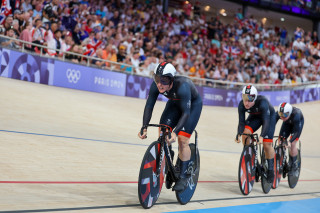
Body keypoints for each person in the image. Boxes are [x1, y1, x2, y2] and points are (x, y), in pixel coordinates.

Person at [138, 62, 202, 192]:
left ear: (172, 79)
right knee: (163, 132)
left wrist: (176, 131)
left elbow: (186, 113)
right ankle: (169, 155)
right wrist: (144, 126)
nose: (160, 84)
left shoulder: (183, 86)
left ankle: (183, 176)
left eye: (164, 80)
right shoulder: (157, 86)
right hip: (174, 103)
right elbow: (149, 106)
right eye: (157, 79)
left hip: (191, 107)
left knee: (182, 140)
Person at [235, 85, 276, 183]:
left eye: (249, 100)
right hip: (255, 117)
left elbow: (266, 121)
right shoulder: (241, 105)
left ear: (255, 97)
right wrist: (238, 134)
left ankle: (270, 169)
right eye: (244, 98)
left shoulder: (262, 103)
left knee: (266, 144)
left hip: (268, 118)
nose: (246, 102)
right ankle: (253, 159)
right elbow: (241, 122)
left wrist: (262, 136)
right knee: (245, 134)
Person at [276, 102, 304, 176]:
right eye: (280, 115)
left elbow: (296, 132)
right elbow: (273, 122)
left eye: (284, 115)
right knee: (280, 140)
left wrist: (290, 141)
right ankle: (282, 160)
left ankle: (294, 165)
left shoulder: (297, 115)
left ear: (289, 112)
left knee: (292, 144)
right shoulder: (283, 115)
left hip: (297, 125)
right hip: (287, 123)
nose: (282, 117)